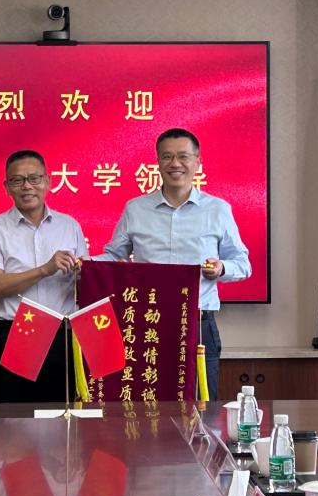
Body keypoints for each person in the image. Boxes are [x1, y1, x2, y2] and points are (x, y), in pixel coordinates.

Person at [98, 128, 250, 400]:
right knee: (147, 401)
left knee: (201, 405)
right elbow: (113, 256)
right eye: (167, 157)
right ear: (157, 162)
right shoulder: (136, 209)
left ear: (197, 162)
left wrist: (220, 268)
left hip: (198, 322)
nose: (175, 164)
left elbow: (242, 264)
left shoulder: (218, 209)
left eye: (183, 156)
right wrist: (84, 264)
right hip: (147, 321)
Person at [0, 149, 88, 403]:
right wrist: (44, 270)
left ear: (47, 182)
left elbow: (83, 287)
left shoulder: (69, 226)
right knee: (11, 419)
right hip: (16, 334)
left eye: (34, 178)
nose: (27, 186)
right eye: (17, 180)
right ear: (7, 187)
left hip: (62, 336)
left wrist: (86, 273)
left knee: (63, 417)